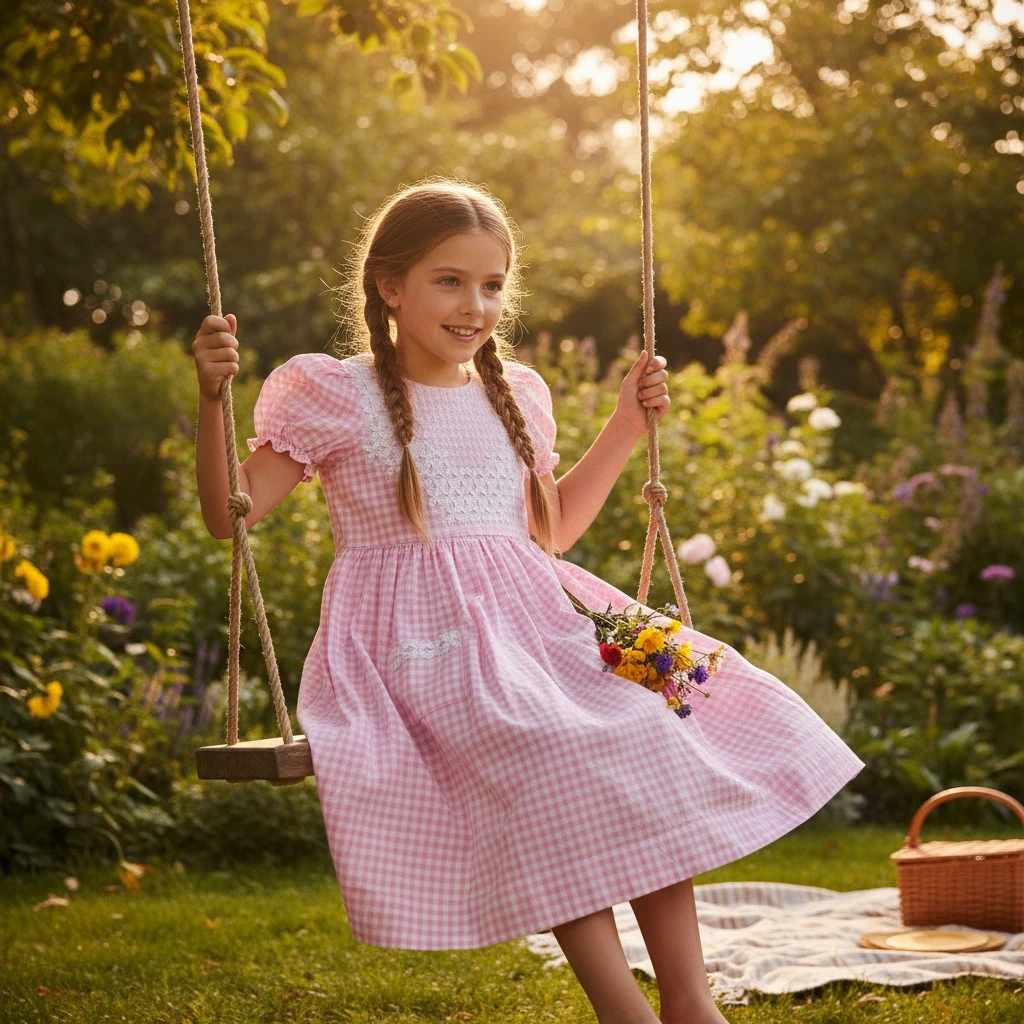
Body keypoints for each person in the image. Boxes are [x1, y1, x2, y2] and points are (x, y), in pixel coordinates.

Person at [192, 178, 865, 1024]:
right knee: (551, 751)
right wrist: (213, 397)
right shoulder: (336, 393)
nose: (474, 304)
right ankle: (624, 1009)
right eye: (449, 280)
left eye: (492, 284)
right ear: (389, 286)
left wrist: (624, 424)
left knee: (659, 712)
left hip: (542, 621)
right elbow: (230, 515)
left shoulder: (517, 396)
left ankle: (693, 1004)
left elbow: (551, 532)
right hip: (419, 646)